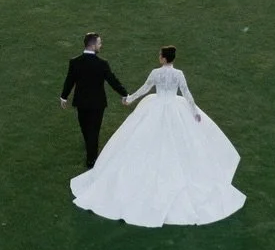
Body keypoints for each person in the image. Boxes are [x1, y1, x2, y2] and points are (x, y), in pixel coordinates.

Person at [70, 45, 244, 227]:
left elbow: (145, 88)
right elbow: (186, 93)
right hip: (175, 108)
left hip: (156, 106)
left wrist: (129, 99)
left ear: (163, 58)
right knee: (180, 142)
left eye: (159, 55)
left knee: (143, 141)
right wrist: (194, 112)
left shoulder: (156, 73)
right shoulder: (179, 74)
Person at [59, 32, 130, 168]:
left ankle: (90, 152)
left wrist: (64, 96)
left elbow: (69, 81)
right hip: (97, 103)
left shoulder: (75, 62)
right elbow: (112, 80)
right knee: (94, 130)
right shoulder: (102, 64)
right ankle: (92, 160)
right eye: (99, 43)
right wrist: (124, 94)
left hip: (81, 102)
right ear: (92, 46)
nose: (101, 45)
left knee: (85, 127)